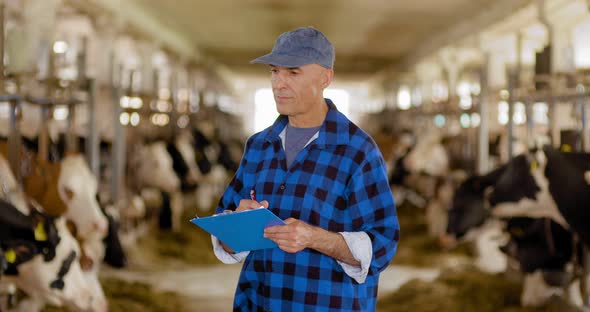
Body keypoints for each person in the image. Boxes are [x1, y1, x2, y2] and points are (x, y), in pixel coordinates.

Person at [211, 26, 399, 311]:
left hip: (327, 303)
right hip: (260, 301)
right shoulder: (259, 145)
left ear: (325, 78)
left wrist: (315, 238)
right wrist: (238, 222)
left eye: (293, 73)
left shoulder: (357, 150)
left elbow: (383, 244)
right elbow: (224, 231)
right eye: (274, 71)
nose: (278, 84)